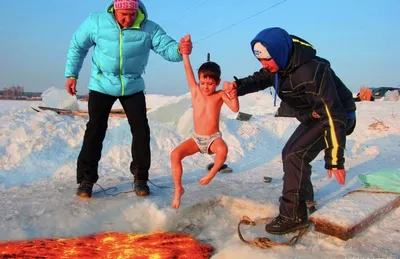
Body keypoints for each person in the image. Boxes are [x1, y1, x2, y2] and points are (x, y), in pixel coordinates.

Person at [224, 27, 356, 234]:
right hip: (315, 115)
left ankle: (293, 214)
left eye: (267, 60)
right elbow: (260, 78)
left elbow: (333, 114)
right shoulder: (280, 64)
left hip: (338, 117)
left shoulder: (311, 71)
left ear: (280, 52)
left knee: (296, 155)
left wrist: (335, 159)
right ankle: (303, 197)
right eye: (261, 60)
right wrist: (237, 86)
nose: (264, 65)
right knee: (290, 153)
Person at [64, 0, 192, 198]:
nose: (128, 19)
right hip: (101, 84)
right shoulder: (96, 22)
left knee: (141, 130)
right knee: (95, 130)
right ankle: (86, 180)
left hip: (132, 85)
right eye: (124, 14)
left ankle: (140, 177)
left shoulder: (149, 28)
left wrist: (180, 49)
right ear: (115, 9)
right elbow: (77, 46)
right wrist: (72, 74)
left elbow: (167, 48)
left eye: (132, 14)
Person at [170, 35, 240, 209]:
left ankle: (213, 172)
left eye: (210, 83)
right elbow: (187, 68)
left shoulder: (219, 95)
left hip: (212, 138)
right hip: (196, 139)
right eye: (203, 82)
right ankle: (178, 189)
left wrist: (233, 93)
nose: (206, 87)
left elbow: (235, 109)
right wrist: (185, 53)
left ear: (217, 82)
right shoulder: (195, 91)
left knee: (223, 149)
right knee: (175, 155)